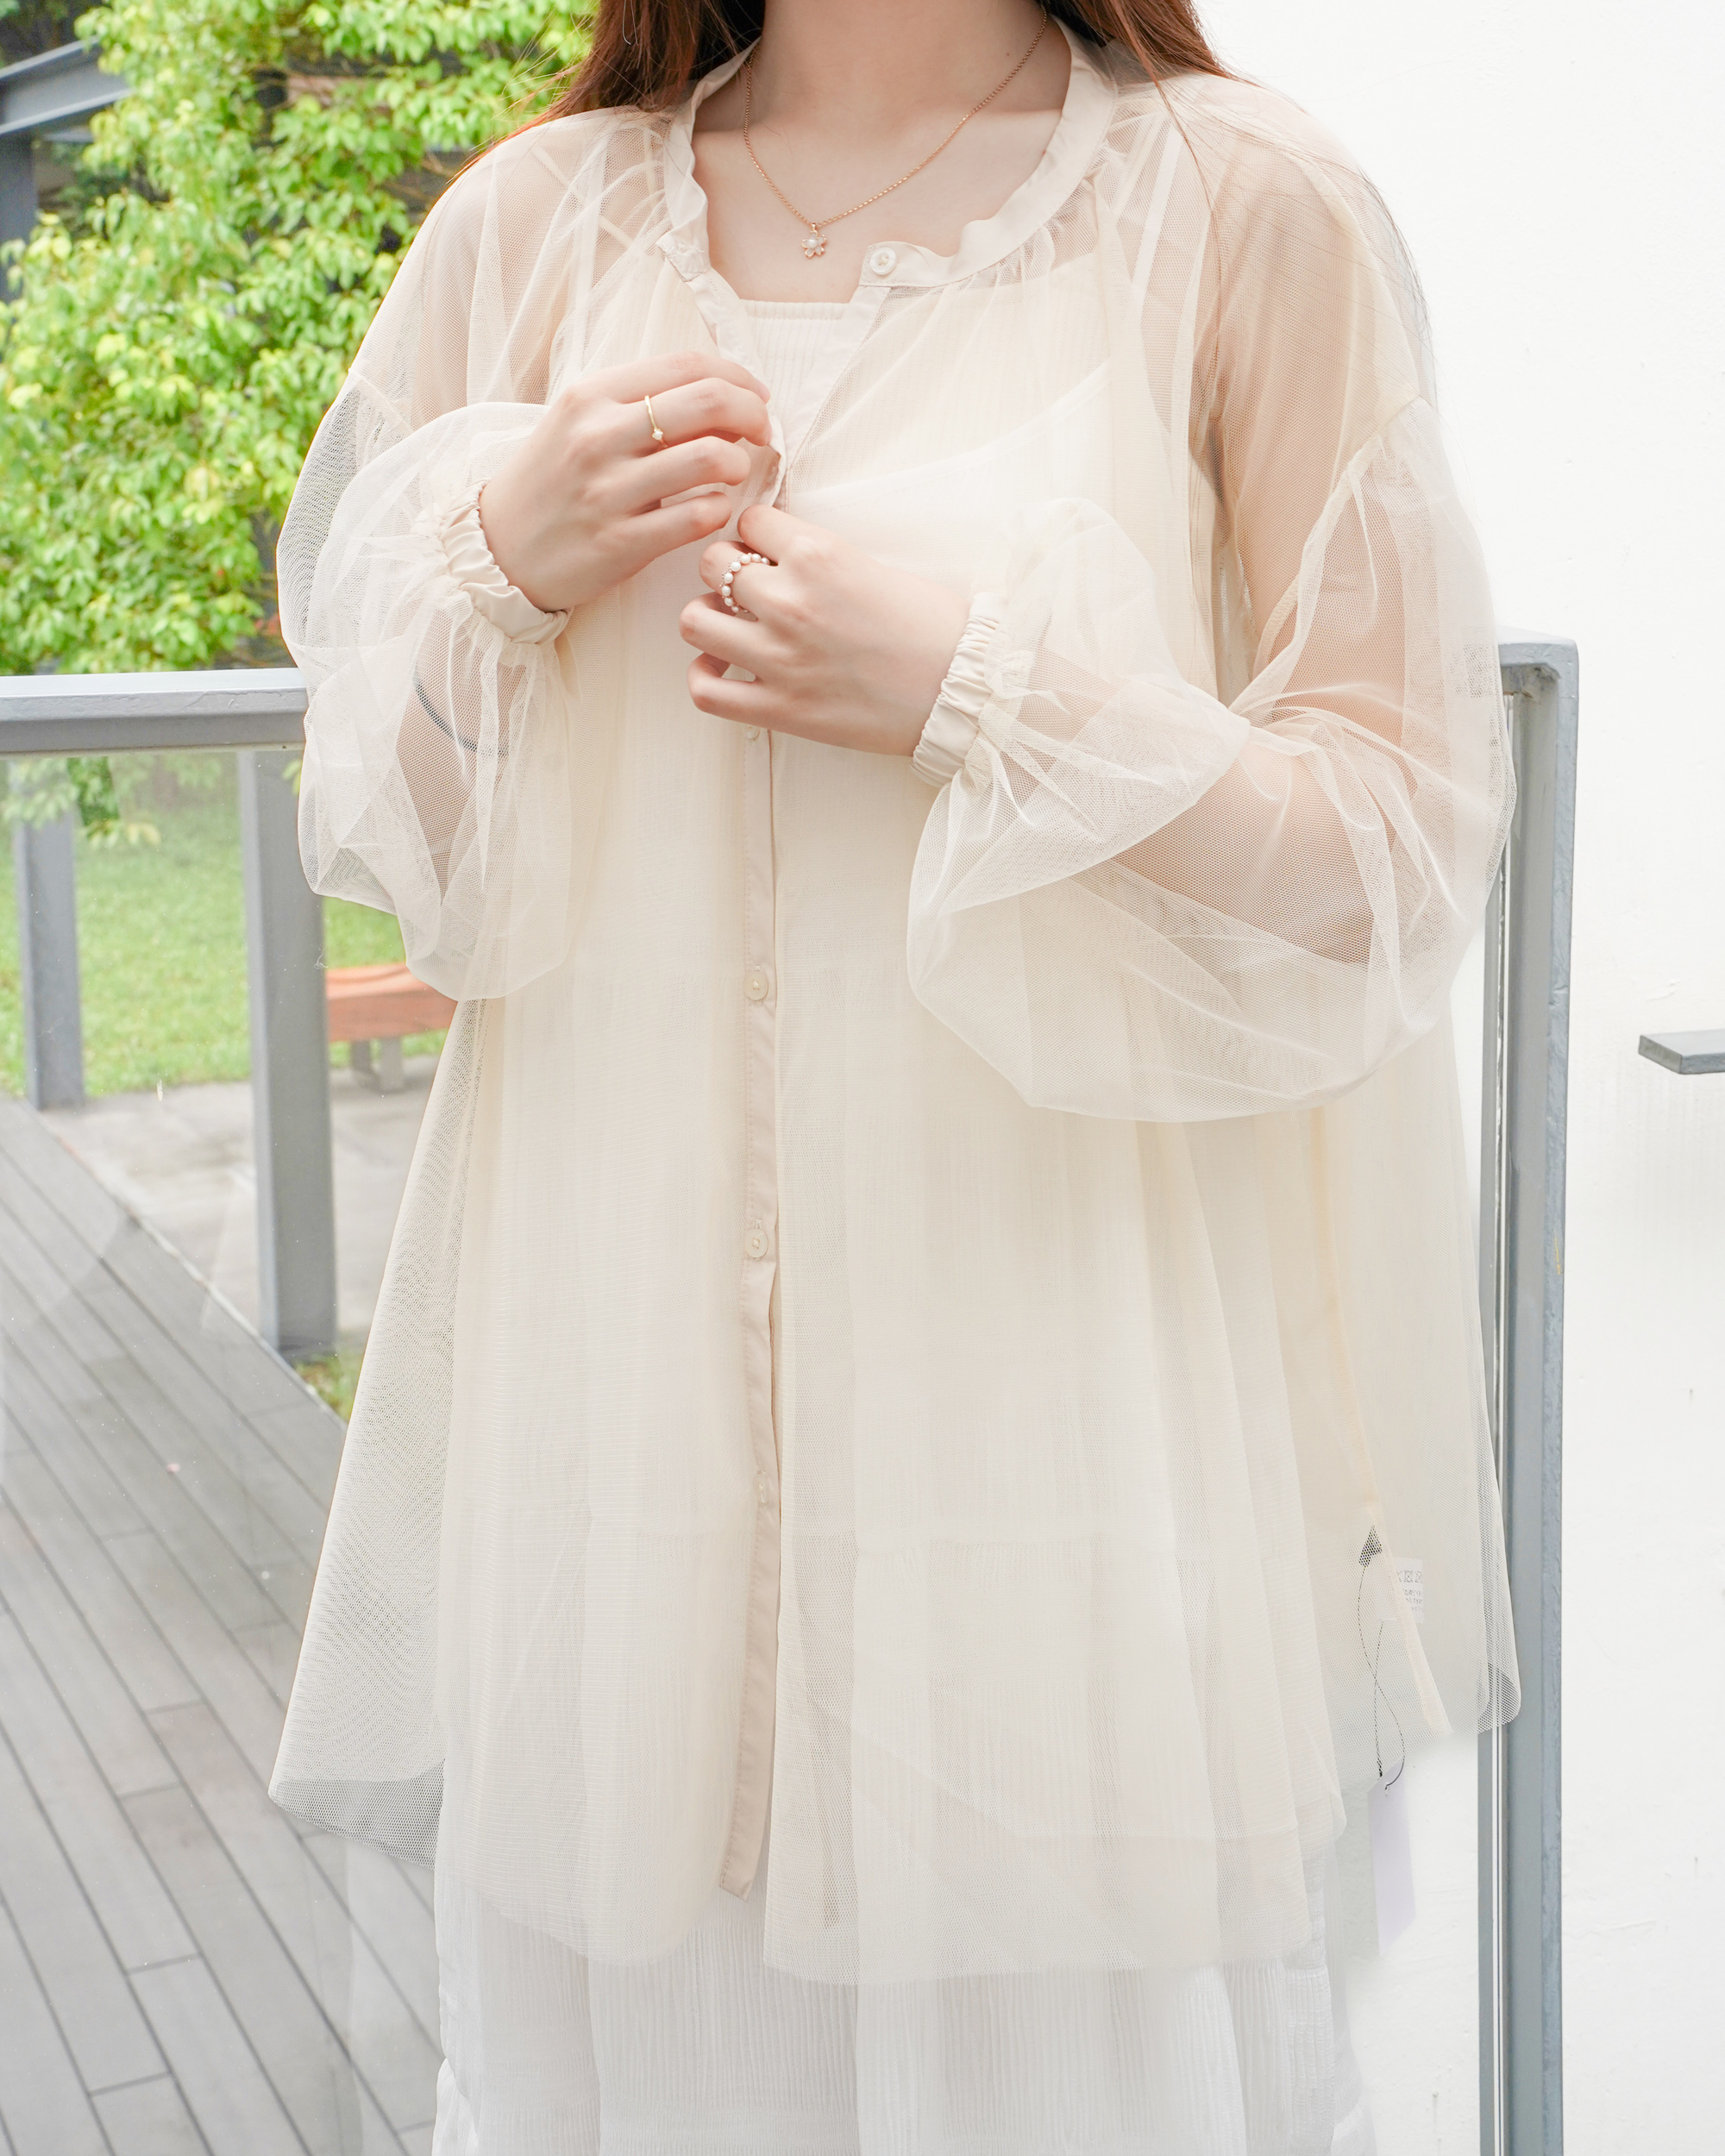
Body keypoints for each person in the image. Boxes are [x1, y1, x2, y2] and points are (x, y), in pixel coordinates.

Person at [269, 1, 1519, 2147]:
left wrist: (990, 694)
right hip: (616, 1472)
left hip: (1055, 1464)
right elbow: (418, 867)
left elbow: (1398, 845)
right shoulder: (532, 225)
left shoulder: (1241, 208)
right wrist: (499, 564)